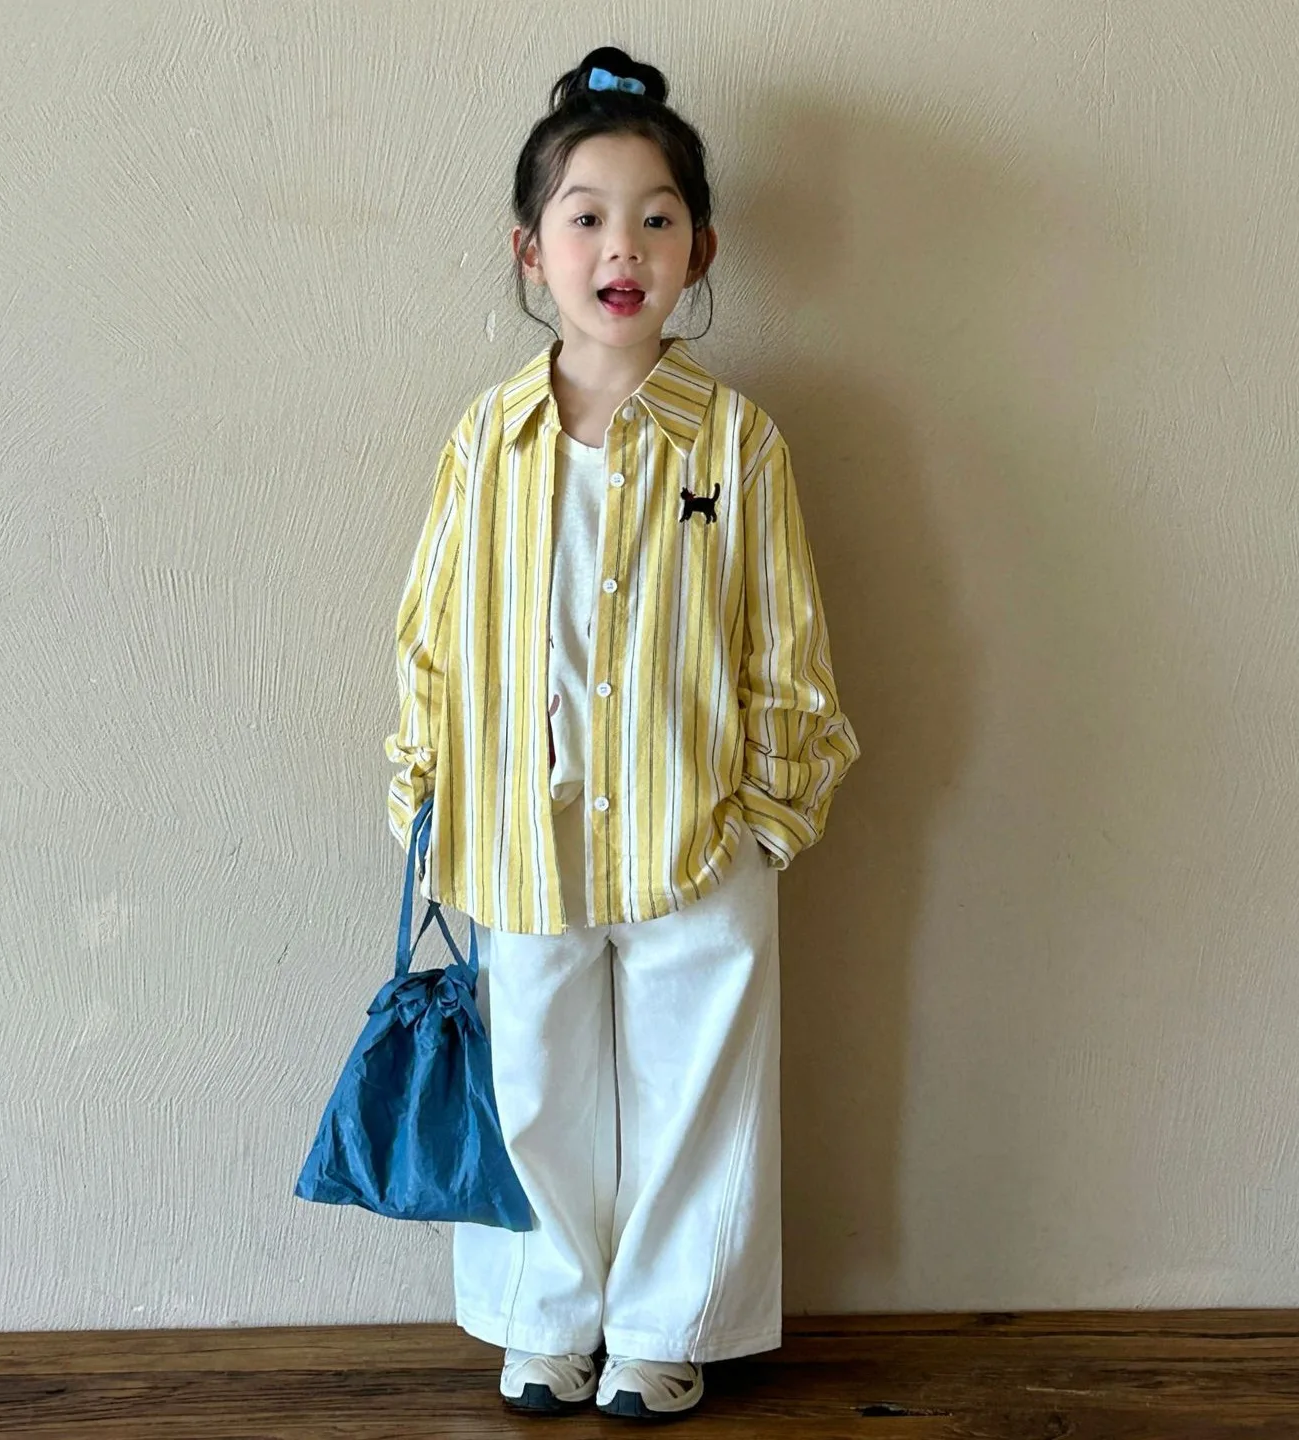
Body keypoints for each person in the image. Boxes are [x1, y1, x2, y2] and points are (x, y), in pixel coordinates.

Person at [385, 44, 860, 1420]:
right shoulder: (487, 441)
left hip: (695, 830)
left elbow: (786, 643)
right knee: (531, 1083)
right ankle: (545, 1323)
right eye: (586, 216)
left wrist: (767, 815)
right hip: (518, 831)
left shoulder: (737, 444)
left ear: (700, 249)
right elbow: (431, 630)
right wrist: (426, 791)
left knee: (694, 1089)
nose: (622, 247)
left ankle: (664, 1329)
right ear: (530, 251)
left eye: (656, 217)